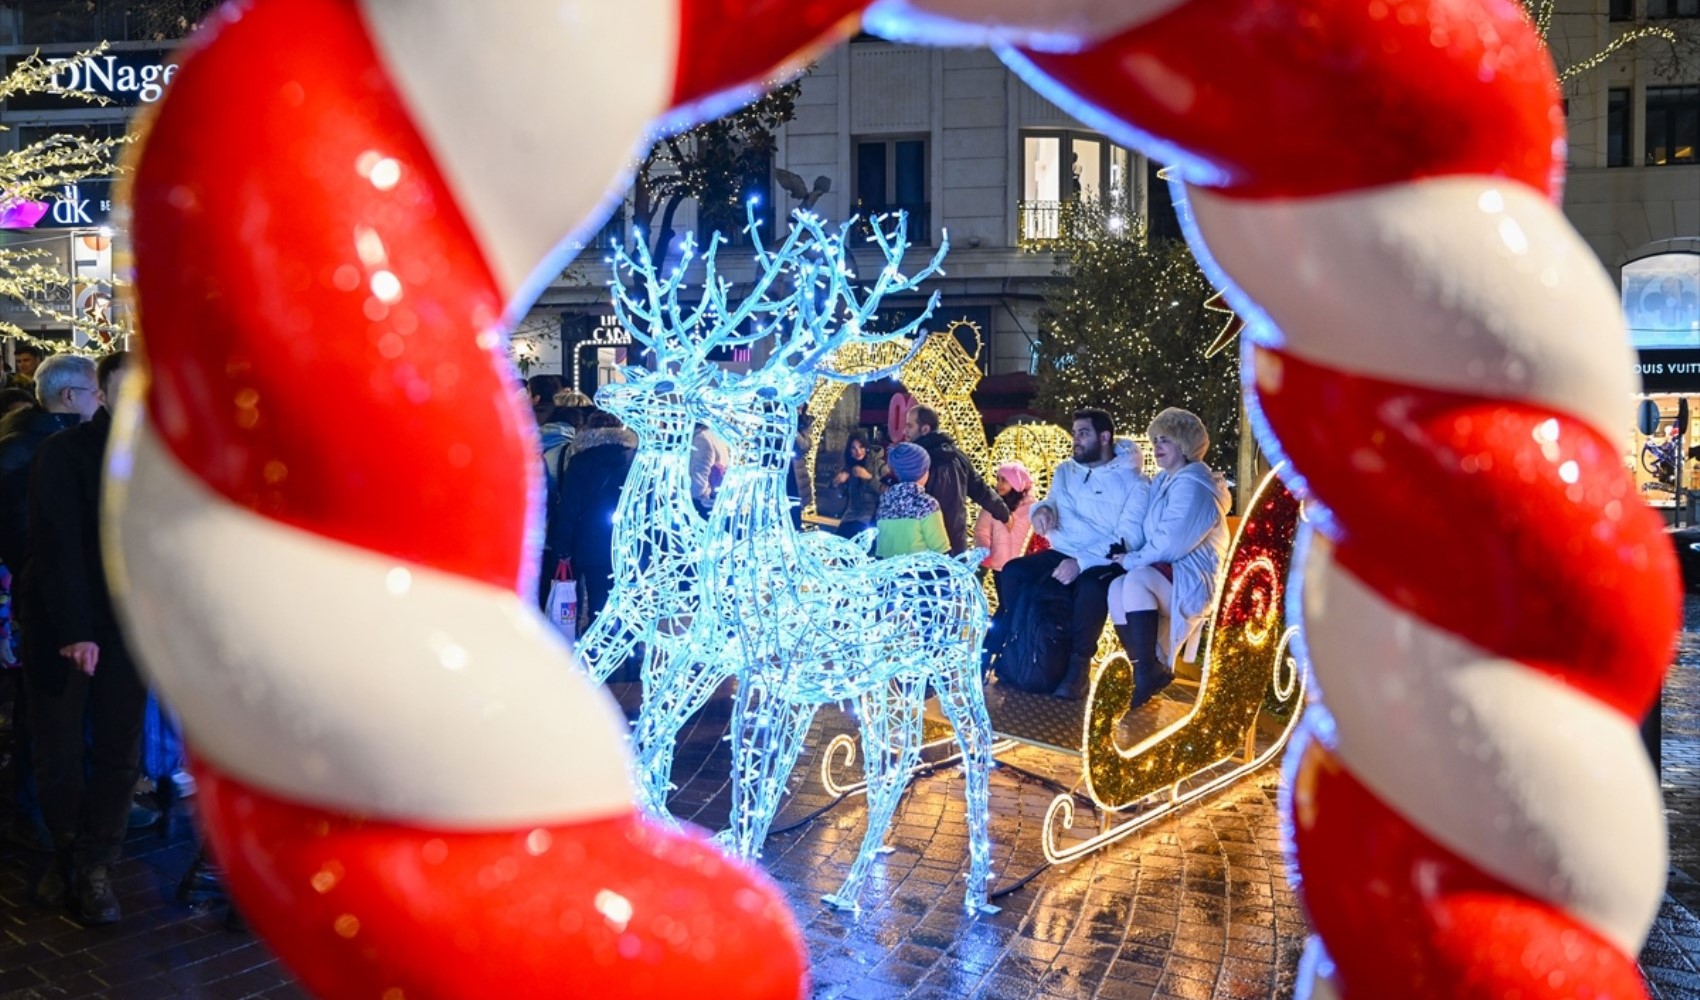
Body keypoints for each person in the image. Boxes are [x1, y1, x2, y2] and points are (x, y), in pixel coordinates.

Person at [18, 351, 148, 924]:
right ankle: (67, 856)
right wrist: (75, 631)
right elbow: (57, 544)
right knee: (60, 753)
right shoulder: (63, 451)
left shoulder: (155, 461)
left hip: (129, 630)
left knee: (120, 754)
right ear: (102, 392)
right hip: (65, 628)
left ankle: (97, 867)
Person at [987, 409, 1147, 698]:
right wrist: (1042, 511)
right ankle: (1021, 643)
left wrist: (1081, 562)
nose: (1076, 440)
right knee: (1014, 572)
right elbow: (1051, 503)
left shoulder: (1135, 482)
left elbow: (1129, 538)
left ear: (1105, 437)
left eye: (1083, 433)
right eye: (1074, 433)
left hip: (1104, 559)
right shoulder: (1066, 471)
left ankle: (1078, 667)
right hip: (1062, 550)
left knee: (1090, 587)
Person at [1108, 407, 1231, 710]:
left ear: (1185, 444)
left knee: (1134, 580)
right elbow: (1149, 532)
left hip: (1193, 578)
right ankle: (1145, 668)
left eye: (1165, 440)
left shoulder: (1195, 486)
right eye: (1155, 441)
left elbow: (1171, 542)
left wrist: (1131, 560)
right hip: (1166, 573)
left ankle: (1148, 669)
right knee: (1115, 588)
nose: (1157, 447)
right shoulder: (1165, 481)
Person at [551, 409, 637, 628]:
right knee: (629, 601)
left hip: (591, 543)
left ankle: (600, 651)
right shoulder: (635, 458)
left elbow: (569, 507)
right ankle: (629, 653)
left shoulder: (581, 461)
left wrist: (563, 548)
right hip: (630, 541)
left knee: (598, 600)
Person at [904, 405, 1009, 555]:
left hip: (923, 541)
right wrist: (1003, 513)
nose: (904, 431)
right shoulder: (958, 457)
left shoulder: (917, 460)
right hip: (955, 541)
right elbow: (981, 490)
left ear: (925, 429)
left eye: (909, 426)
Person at [875, 443, 948, 558]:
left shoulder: (885, 503)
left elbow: (880, 552)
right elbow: (942, 551)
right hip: (920, 573)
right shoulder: (926, 504)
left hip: (891, 573)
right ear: (922, 472)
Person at [973, 460, 1035, 573]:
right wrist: (984, 551)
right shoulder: (992, 506)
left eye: (1004, 480)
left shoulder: (1032, 507)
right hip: (999, 567)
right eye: (998, 480)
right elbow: (982, 531)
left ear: (1016, 482)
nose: (999, 484)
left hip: (1026, 567)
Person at [831, 432, 884, 538]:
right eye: (854, 448)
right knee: (839, 540)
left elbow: (886, 491)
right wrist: (838, 483)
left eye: (861, 447)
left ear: (866, 448)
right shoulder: (848, 465)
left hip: (872, 514)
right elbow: (842, 495)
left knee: (857, 538)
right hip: (852, 513)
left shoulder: (878, 464)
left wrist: (869, 477)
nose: (858, 452)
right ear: (849, 451)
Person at [690, 423, 730, 517]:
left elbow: (697, 486)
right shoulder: (718, 436)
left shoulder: (702, 439)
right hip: (713, 506)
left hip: (700, 509)